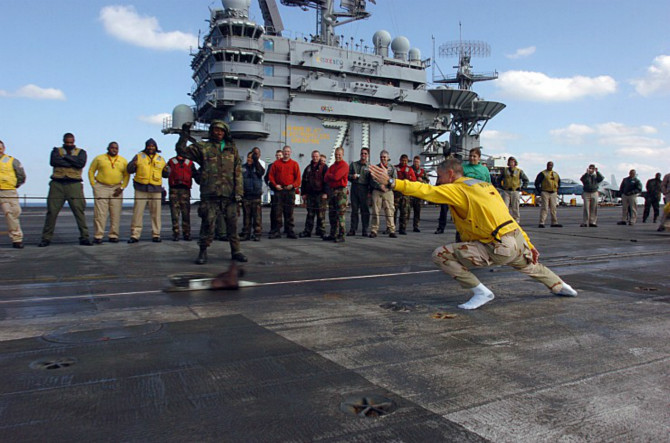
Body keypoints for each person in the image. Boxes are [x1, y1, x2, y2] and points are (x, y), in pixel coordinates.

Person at [368, 159, 578, 310]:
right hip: (514, 238)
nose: (438, 182)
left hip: (497, 246)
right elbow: (508, 216)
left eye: (440, 177)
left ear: (450, 174)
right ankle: (561, 286)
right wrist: (529, 244)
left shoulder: (456, 188)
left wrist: (394, 183)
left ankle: (480, 292)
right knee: (530, 265)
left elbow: (426, 191)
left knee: (440, 255)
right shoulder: (484, 185)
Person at [177, 120, 247, 263]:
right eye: (215, 130)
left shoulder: (232, 149)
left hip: (229, 194)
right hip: (210, 194)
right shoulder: (203, 147)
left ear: (225, 132)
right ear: (211, 131)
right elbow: (181, 151)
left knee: (232, 225)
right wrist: (184, 134)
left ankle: (236, 251)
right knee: (207, 224)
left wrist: (239, 192)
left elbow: (238, 172)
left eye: (221, 130)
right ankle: (203, 252)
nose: (218, 132)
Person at [38, 133, 92, 247]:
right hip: (57, 184)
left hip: (74, 184)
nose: (69, 144)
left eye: (71, 142)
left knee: (79, 211)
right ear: (63, 141)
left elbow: (80, 163)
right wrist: (72, 161)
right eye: (67, 142)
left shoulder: (81, 152)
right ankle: (46, 238)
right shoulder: (55, 151)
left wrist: (65, 157)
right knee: (52, 212)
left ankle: (85, 237)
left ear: (74, 141)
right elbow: (54, 161)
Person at [127, 139, 168, 243]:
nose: (151, 148)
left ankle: (156, 234)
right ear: (146, 147)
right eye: (149, 146)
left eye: (153, 146)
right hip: (141, 188)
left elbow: (166, 174)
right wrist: (133, 164)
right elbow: (129, 169)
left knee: (156, 213)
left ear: (156, 147)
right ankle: (135, 235)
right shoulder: (138, 157)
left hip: (155, 189)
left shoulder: (161, 159)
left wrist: (168, 170)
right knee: (137, 213)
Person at [88, 141, 129, 244]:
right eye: (112, 148)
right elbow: (91, 171)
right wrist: (94, 185)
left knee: (115, 213)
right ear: (108, 148)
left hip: (116, 188)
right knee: (100, 213)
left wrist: (122, 187)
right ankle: (98, 235)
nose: (114, 149)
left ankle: (113, 235)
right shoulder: (99, 158)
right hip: (101, 187)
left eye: (116, 148)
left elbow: (127, 175)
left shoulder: (123, 161)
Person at [268, 145, 301, 239]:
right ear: (282, 152)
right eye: (285, 151)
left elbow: (298, 178)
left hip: (290, 191)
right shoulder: (276, 164)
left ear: (290, 152)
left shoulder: (294, 164)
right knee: (277, 212)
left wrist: (293, 185)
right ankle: (276, 231)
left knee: (289, 212)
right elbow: (271, 176)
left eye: (288, 151)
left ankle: (290, 231)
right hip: (279, 190)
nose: (286, 153)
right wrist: (275, 185)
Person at [0, 140, 26, 248]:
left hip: (7, 191)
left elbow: (21, 175)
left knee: (12, 213)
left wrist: (16, 184)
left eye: (0, 148)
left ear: (4, 148)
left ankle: (16, 239)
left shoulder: (12, 161)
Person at [167, 153, 199, 241]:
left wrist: (201, 178)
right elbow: (165, 173)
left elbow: (196, 175)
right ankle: (176, 233)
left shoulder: (190, 163)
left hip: (185, 190)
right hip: (174, 190)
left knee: (186, 213)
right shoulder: (171, 162)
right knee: (174, 213)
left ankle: (187, 233)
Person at [299, 150, 328, 238]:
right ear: (312, 157)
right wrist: (303, 193)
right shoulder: (308, 168)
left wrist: (326, 193)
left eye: (317, 156)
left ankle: (321, 231)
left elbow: (327, 181)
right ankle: (307, 231)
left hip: (320, 194)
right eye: (314, 156)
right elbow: (304, 181)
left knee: (321, 214)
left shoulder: (324, 167)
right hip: (310, 194)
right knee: (310, 214)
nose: (315, 158)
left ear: (319, 157)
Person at [323, 147, 348, 242]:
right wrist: (331, 175)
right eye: (336, 154)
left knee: (340, 214)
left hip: (341, 191)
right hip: (332, 191)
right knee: (332, 213)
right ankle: (333, 234)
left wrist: (330, 175)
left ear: (342, 155)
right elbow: (325, 178)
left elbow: (337, 177)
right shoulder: (333, 166)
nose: (337, 156)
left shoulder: (344, 165)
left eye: (339, 154)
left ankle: (342, 235)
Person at [369, 150, 397, 238]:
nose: (383, 158)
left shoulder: (392, 168)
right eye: (381, 157)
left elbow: (395, 180)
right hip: (377, 191)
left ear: (388, 158)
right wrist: (379, 186)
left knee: (390, 211)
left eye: (384, 157)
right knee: (375, 211)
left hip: (388, 191)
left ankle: (391, 229)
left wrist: (388, 187)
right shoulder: (376, 168)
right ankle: (374, 230)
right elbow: (372, 180)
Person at [240, 150, 265, 241]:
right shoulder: (242, 168)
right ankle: (246, 233)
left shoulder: (258, 168)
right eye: (248, 157)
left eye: (251, 157)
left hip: (256, 196)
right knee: (246, 217)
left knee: (257, 217)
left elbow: (261, 172)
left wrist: (256, 161)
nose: (249, 159)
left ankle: (257, 233)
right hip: (246, 196)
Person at [348, 147, 371, 236]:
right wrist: (351, 177)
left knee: (365, 210)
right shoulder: (353, 164)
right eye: (362, 153)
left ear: (368, 155)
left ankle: (365, 229)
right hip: (355, 187)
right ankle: (353, 229)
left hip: (364, 189)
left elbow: (371, 180)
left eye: (365, 154)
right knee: (354, 210)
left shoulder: (369, 167)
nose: (363, 155)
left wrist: (370, 191)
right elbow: (347, 175)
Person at [500, 156, 529, 223]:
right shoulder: (505, 170)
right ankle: (505, 219)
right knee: (505, 206)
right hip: (506, 191)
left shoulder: (519, 171)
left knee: (515, 207)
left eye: (512, 161)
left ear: (515, 163)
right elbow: (499, 179)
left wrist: (523, 187)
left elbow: (526, 180)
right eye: (510, 161)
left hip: (515, 191)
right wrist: (501, 187)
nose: (511, 163)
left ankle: (516, 220)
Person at [393, 154, 416, 235]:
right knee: (393, 212)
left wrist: (408, 178)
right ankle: (392, 228)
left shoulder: (409, 169)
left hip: (405, 194)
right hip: (396, 193)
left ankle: (402, 228)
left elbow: (414, 180)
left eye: (405, 161)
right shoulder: (395, 168)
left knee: (405, 212)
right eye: (402, 160)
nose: (404, 162)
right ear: (400, 160)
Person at [534, 161, 562, 228]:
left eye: (551, 165)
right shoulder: (543, 173)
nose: (550, 166)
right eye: (549, 165)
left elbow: (559, 182)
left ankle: (554, 222)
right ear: (547, 165)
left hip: (553, 193)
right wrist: (540, 191)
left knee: (553, 208)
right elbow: (537, 183)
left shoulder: (555, 174)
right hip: (545, 192)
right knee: (544, 208)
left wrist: (557, 189)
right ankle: (542, 222)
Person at [264, 150, 283, 238]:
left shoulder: (285, 165)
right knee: (274, 210)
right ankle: (274, 228)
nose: (278, 157)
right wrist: (271, 185)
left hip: (284, 191)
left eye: (280, 155)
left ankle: (286, 228)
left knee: (286, 211)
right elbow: (267, 177)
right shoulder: (271, 165)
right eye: (277, 155)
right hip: (274, 191)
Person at [410, 155, 429, 232]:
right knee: (406, 211)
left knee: (417, 211)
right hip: (410, 192)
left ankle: (416, 226)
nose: (416, 163)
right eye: (415, 161)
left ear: (419, 162)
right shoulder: (409, 169)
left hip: (418, 193)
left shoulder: (422, 171)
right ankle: (403, 226)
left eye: (417, 162)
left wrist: (422, 181)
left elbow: (427, 181)